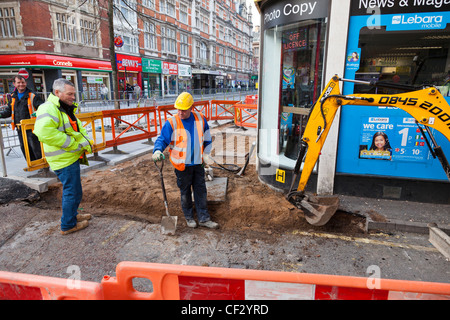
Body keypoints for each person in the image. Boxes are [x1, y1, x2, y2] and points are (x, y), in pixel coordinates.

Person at [33, 79, 93, 235]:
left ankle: (72, 216)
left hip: (69, 157)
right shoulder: (49, 108)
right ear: (57, 92)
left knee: (75, 191)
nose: (73, 97)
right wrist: (73, 144)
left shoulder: (63, 108)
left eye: (74, 93)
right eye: (70, 94)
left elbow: (76, 127)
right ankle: (68, 225)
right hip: (64, 159)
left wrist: (83, 142)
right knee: (72, 192)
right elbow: (44, 132)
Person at [152, 92, 218, 229]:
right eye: (178, 109)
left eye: (184, 110)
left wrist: (206, 154)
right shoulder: (172, 122)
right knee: (185, 192)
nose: (180, 112)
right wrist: (157, 150)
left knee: (201, 190)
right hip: (182, 166)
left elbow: (207, 139)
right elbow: (162, 139)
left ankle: (204, 218)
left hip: (198, 163)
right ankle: (189, 217)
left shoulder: (200, 119)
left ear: (191, 107)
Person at [0, 75, 43, 161]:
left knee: (36, 148)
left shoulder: (33, 95)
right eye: (18, 83)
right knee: (25, 148)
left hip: (32, 128)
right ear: (14, 84)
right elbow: (8, 111)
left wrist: (37, 113)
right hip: (20, 128)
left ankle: (43, 167)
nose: (21, 84)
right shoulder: (13, 97)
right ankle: (33, 166)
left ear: (26, 83)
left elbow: (43, 108)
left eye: (23, 82)